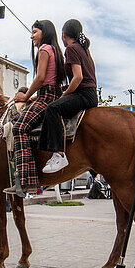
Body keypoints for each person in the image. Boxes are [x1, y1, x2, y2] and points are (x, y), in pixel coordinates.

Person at [6, 20, 65, 196]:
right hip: (52, 95)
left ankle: (25, 179)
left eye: (35, 32)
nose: (32, 36)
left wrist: (25, 96)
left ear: (44, 32)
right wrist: (33, 97)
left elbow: (40, 78)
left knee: (18, 128)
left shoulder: (44, 49)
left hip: (46, 97)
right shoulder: (55, 50)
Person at [39, 19, 99, 174]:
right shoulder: (84, 49)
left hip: (84, 94)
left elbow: (78, 77)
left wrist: (64, 95)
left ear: (63, 34)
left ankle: (58, 154)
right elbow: (84, 78)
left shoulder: (71, 48)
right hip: (91, 93)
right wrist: (65, 88)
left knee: (52, 108)